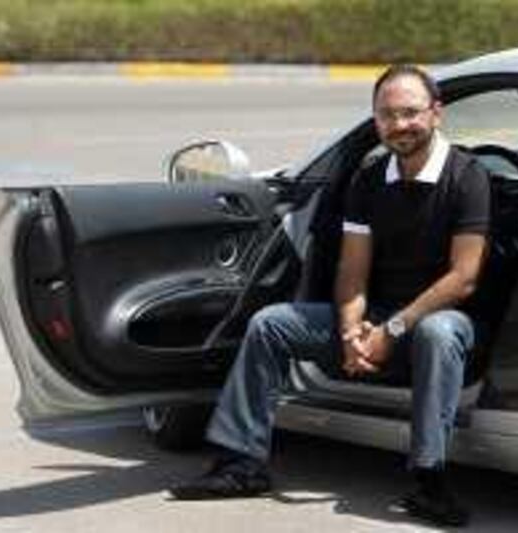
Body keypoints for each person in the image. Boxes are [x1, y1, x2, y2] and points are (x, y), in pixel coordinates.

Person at [168, 64, 491, 528]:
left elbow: (464, 278)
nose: (399, 125)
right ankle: (241, 464)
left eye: (411, 113)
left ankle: (428, 481)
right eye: (387, 115)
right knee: (271, 323)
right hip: (376, 321)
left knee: (439, 332)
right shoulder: (369, 178)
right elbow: (352, 268)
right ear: (375, 119)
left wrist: (391, 330)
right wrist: (349, 331)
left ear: (436, 113)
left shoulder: (467, 177)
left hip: (441, 319)